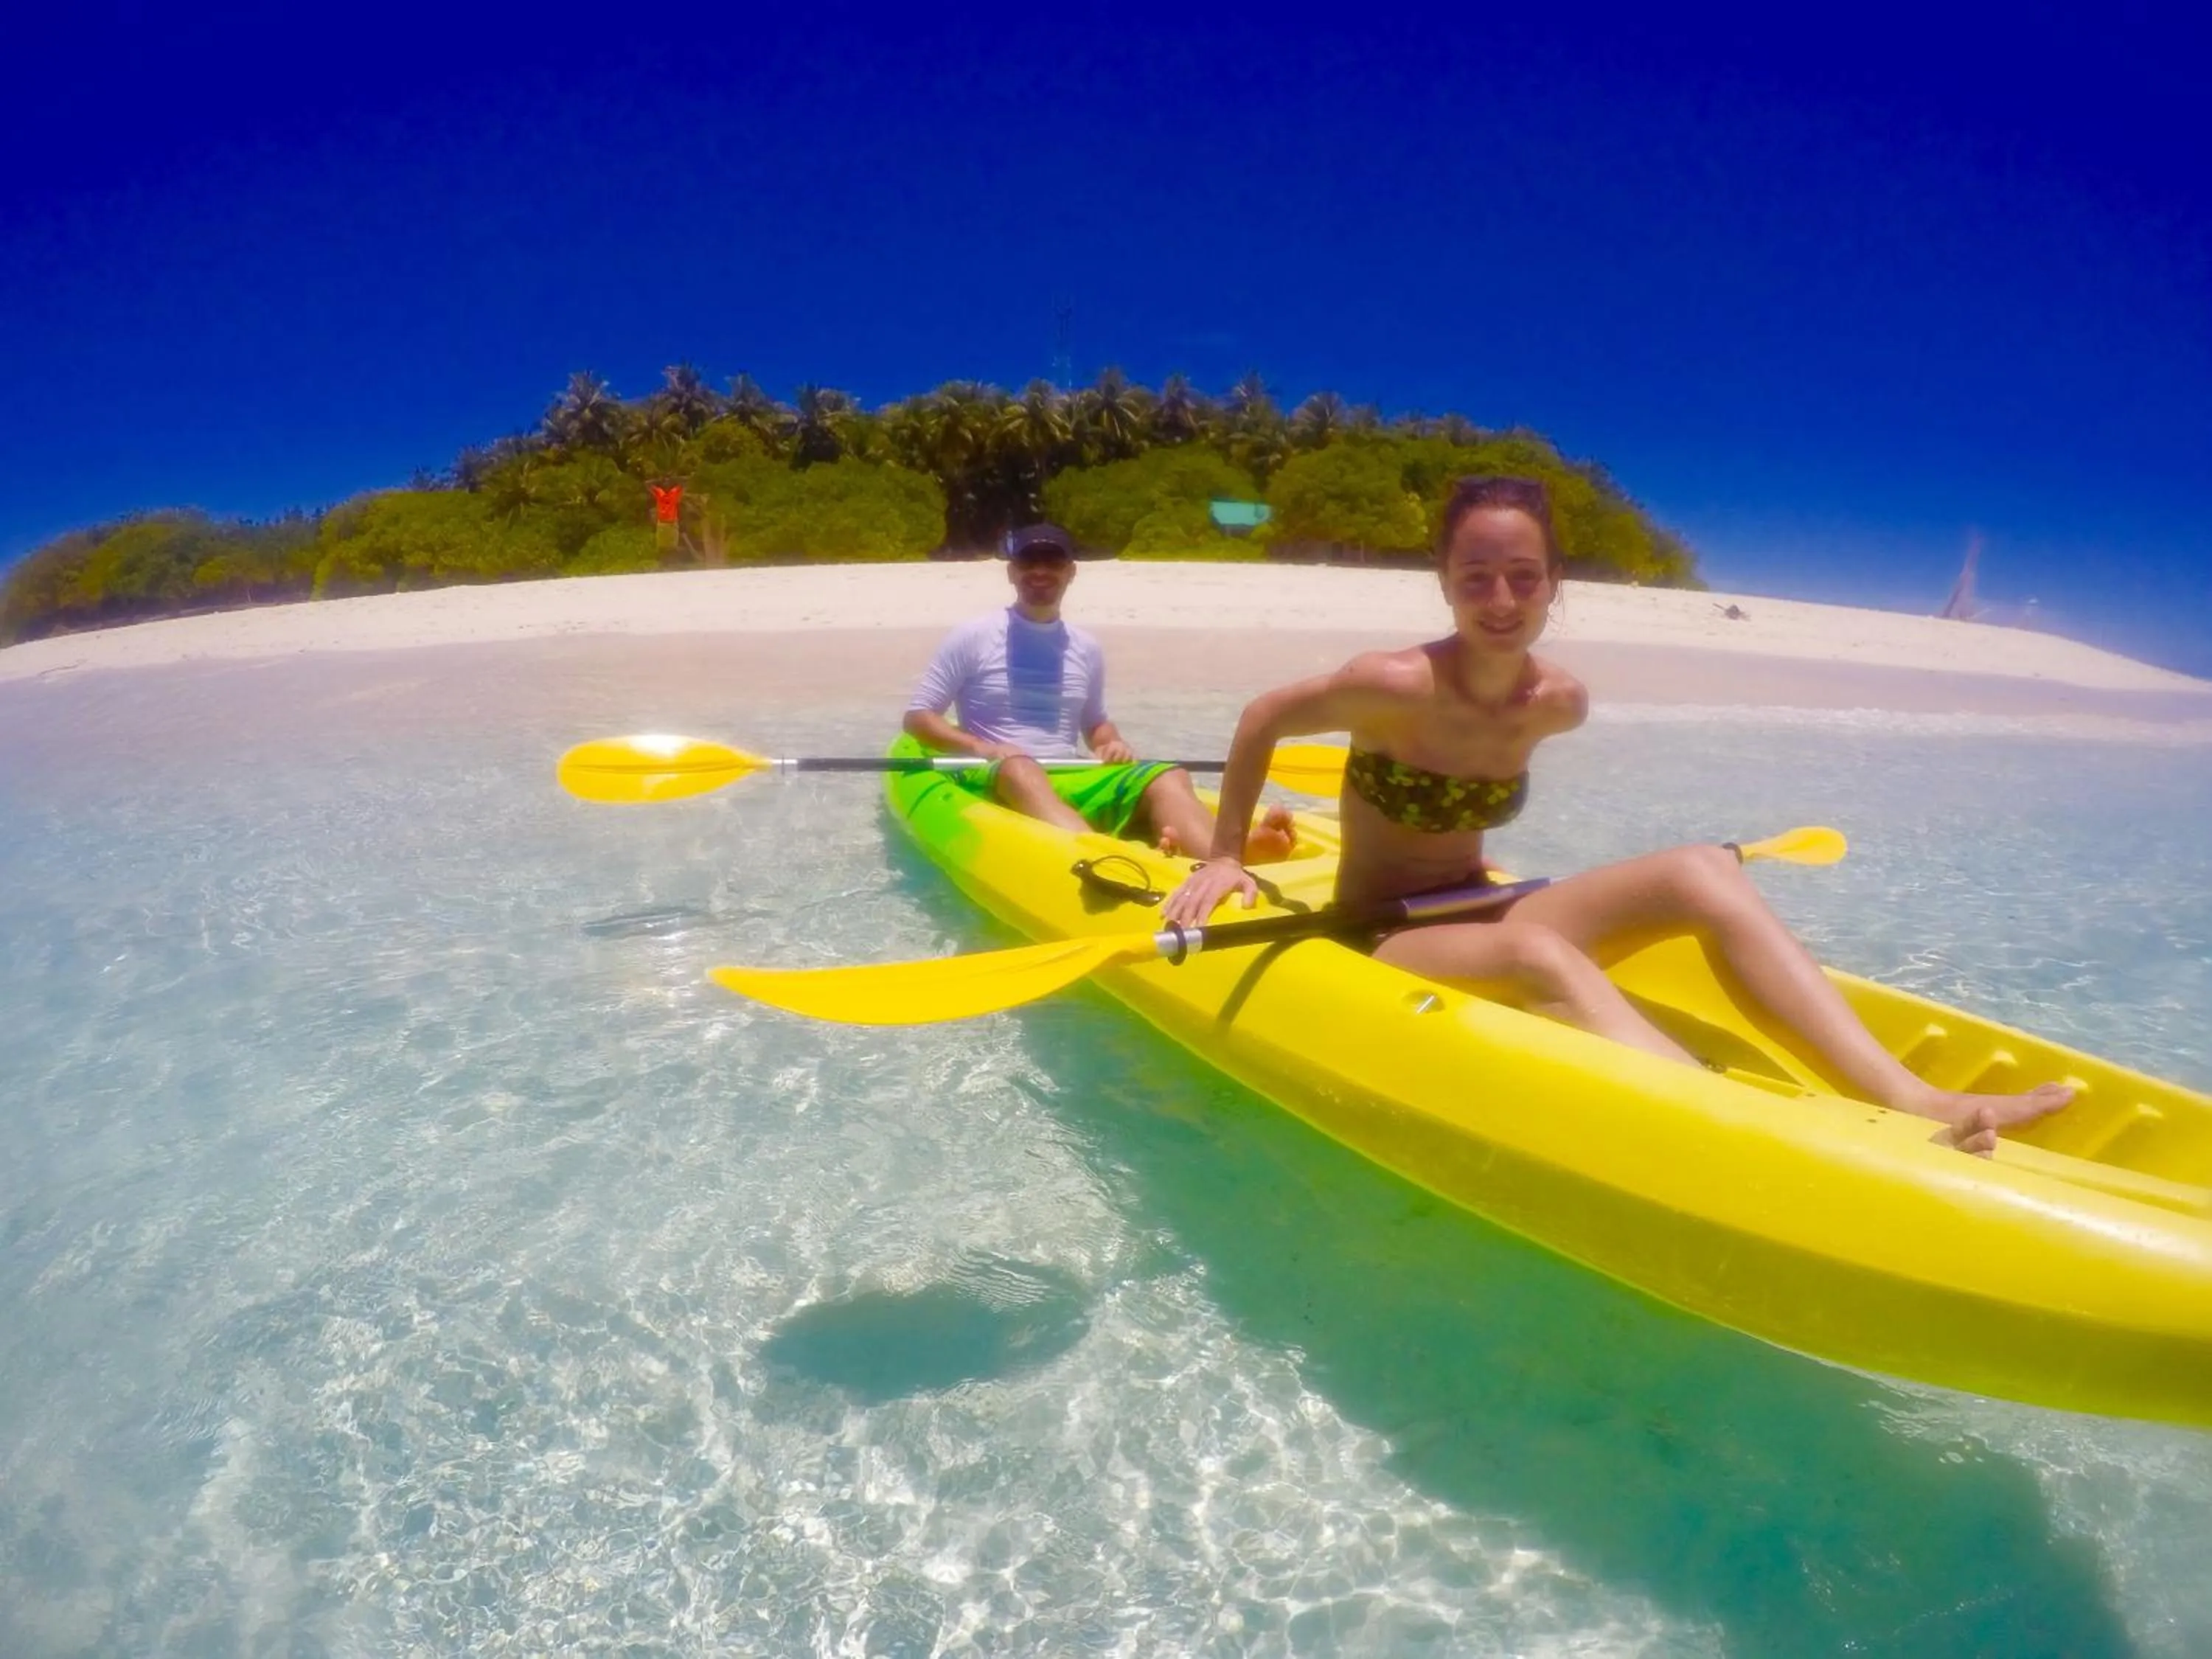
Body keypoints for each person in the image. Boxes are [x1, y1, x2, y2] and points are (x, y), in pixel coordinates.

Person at [1160, 476, 2072, 1157]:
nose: (1501, 602)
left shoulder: (1558, 703)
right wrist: (1227, 855)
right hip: (1379, 933)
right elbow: (1263, 718)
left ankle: (1910, 1098)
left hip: (1478, 902)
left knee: (1703, 868)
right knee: (1536, 953)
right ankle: (1730, 1123)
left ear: (1556, 582)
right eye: (1477, 579)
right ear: (1446, 583)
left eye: (1524, 577)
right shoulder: (1391, 684)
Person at [904, 523, 1295, 858]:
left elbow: (1094, 723)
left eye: (1052, 562)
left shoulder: (1085, 648)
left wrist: (1111, 744)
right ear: (1011, 572)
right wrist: (983, 748)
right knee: (1020, 767)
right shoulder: (972, 636)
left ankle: (1226, 855)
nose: (1040, 571)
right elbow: (919, 718)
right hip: (995, 772)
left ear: (1071, 572)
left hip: (1068, 773)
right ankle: (1104, 856)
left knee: (1169, 775)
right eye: (1028, 561)